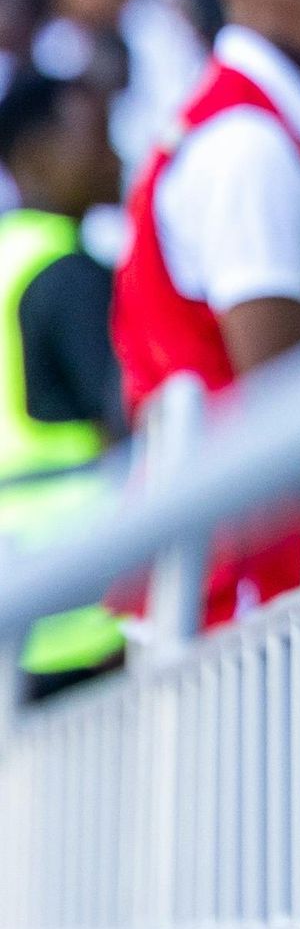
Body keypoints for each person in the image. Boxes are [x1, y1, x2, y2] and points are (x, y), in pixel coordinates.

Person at [112, 0, 300, 622]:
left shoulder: (246, 123)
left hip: (225, 571)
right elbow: (285, 401)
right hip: (243, 590)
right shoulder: (246, 146)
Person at [0, 64, 129, 697]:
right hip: (80, 612)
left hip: (20, 604)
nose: (115, 156)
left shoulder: (10, 257)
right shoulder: (68, 273)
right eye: (97, 136)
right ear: (35, 155)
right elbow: (125, 425)